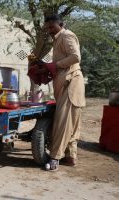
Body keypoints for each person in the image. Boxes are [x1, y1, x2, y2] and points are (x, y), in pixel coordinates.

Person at [37, 15, 86, 171]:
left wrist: (55, 65)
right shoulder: (56, 40)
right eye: (48, 27)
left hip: (71, 83)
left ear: (61, 24)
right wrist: (46, 66)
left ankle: (54, 158)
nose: (50, 30)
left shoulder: (66, 35)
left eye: (52, 27)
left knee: (63, 122)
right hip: (65, 84)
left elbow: (76, 57)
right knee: (71, 121)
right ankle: (70, 157)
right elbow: (55, 61)